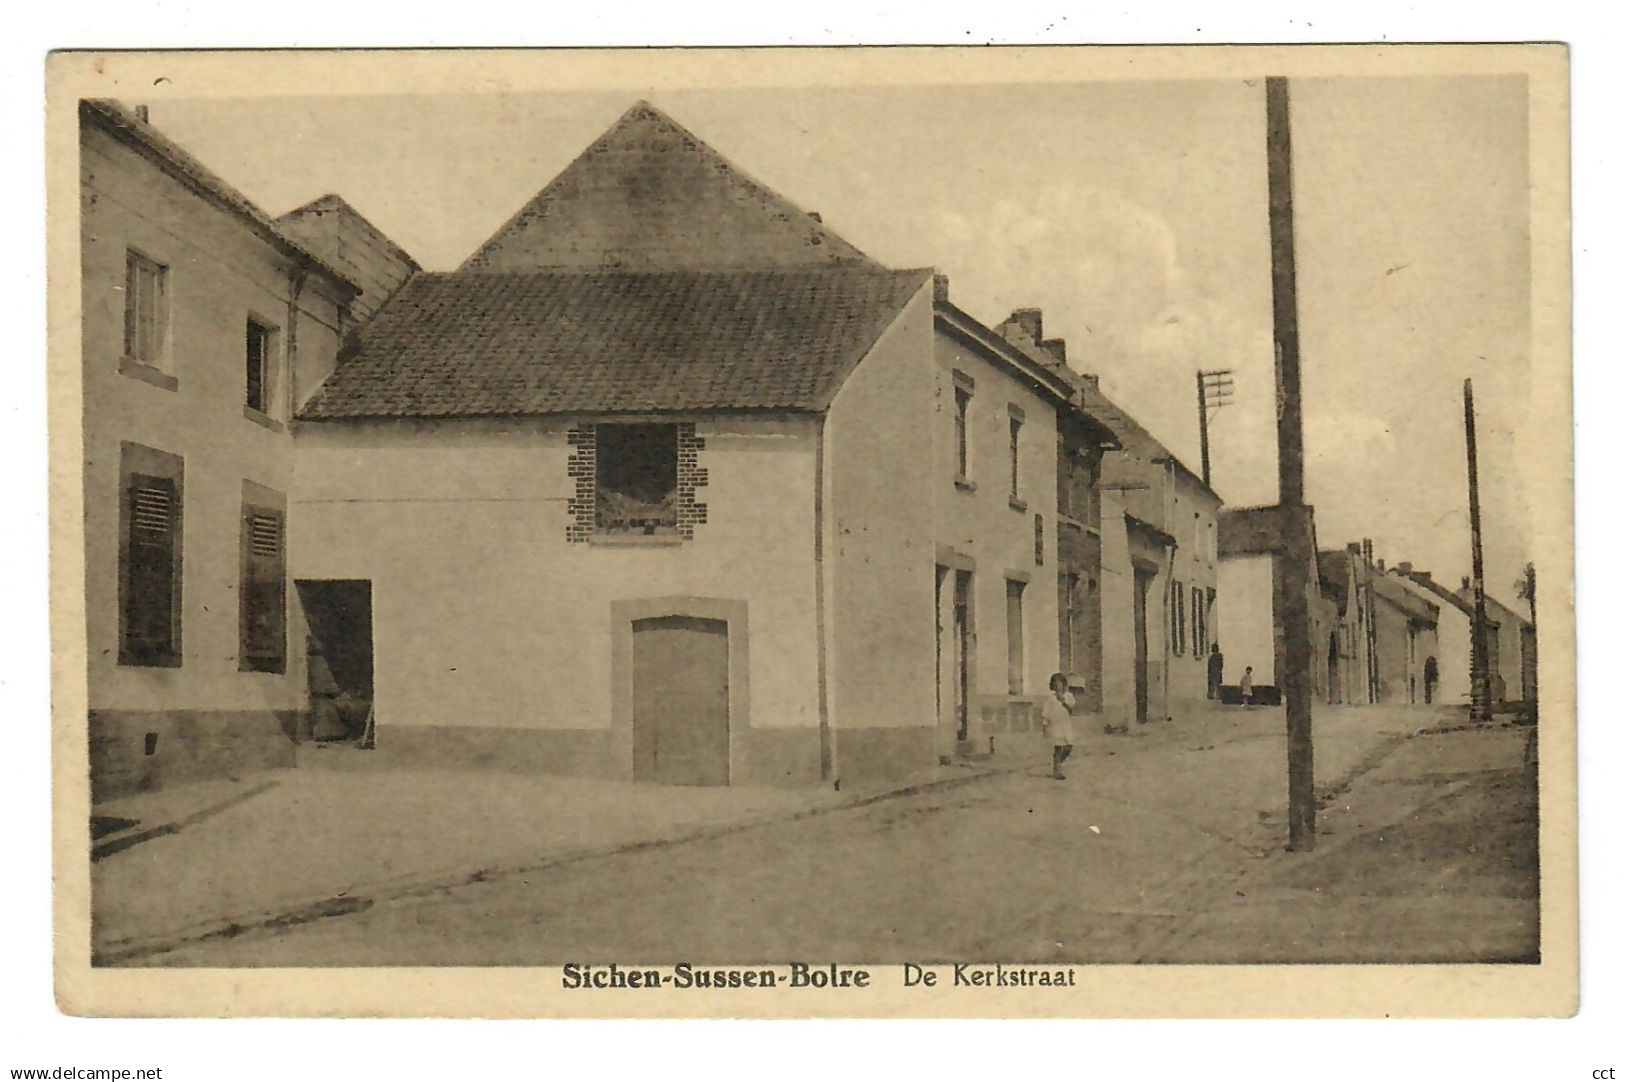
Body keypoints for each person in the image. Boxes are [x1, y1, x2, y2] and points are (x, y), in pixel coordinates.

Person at [1040, 672, 1077, 781]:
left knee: (1069, 746)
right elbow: (1045, 713)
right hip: (1054, 725)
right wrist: (1044, 725)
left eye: (1059, 683)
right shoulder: (1050, 698)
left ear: (1063, 684)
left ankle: (1058, 763)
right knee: (1059, 748)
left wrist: (1063, 701)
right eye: (1055, 684)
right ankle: (1057, 770)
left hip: (1065, 724)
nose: (1058, 686)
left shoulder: (1069, 696)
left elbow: (1071, 710)